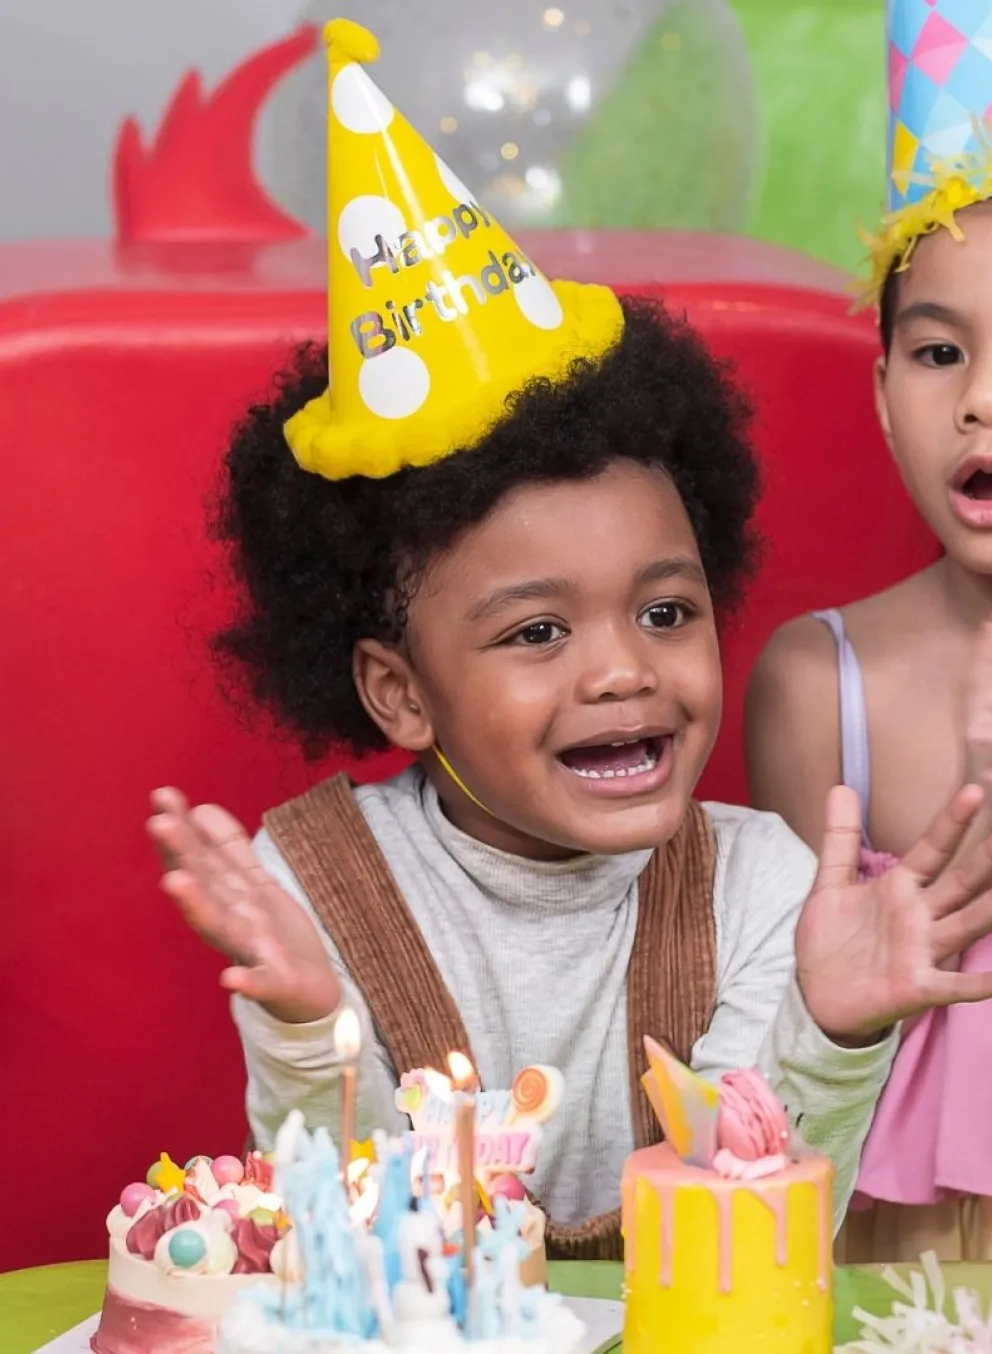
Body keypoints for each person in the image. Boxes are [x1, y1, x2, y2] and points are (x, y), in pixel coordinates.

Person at [151, 20, 992, 1259]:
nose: (621, 669)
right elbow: (355, 1251)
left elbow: (750, 1236)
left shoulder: (758, 884)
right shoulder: (315, 885)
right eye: (537, 629)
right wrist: (303, 1031)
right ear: (398, 691)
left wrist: (831, 1027)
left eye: (664, 612)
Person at [746, 0, 992, 1262]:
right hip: (878, 1240)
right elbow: (773, 1017)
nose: (981, 403)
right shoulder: (812, 680)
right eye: (938, 351)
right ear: (882, 389)